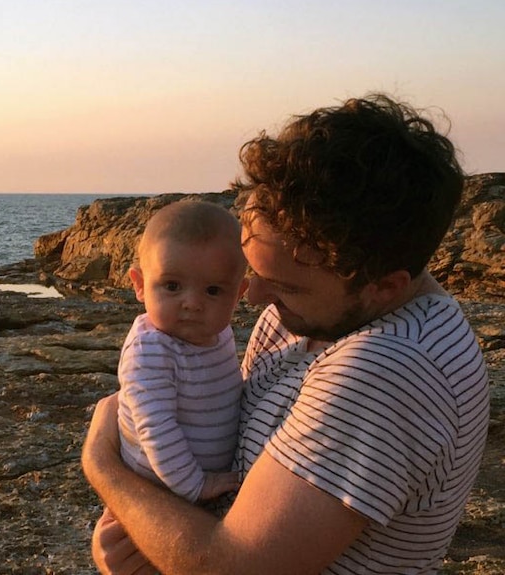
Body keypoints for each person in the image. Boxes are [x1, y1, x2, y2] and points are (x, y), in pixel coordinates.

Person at [81, 93, 491, 574]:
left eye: (284, 286)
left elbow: (232, 568)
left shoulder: (389, 371)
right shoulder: (317, 310)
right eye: (254, 270)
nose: (251, 298)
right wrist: (148, 534)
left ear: (385, 286)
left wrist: (103, 466)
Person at [118, 201, 248, 504]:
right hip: (158, 488)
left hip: (198, 479)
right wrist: (196, 485)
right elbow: (156, 429)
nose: (192, 303)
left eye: (213, 290)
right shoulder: (151, 349)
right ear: (139, 285)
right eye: (172, 286)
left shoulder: (221, 333)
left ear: (238, 295)